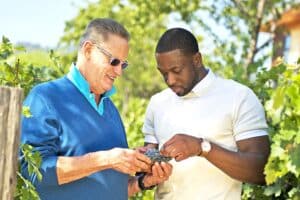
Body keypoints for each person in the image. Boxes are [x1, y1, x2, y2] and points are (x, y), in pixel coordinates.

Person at [20, 18, 172, 200]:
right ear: (88, 50)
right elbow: (34, 171)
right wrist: (106, 159)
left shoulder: (110, 109)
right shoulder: (45, 97)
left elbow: (109, 188)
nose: (119, 72)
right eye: (114, 61)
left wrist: (142, 182)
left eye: (123, 64)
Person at [142, 28, 270, 200]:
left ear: (197, 60)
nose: (170, 80)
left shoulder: (238, 97)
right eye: (163, 73)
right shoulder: (157, 103)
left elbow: (261, 171)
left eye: (176, 70)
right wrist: (144, 163)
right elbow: (148, 170)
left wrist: (202, 147)